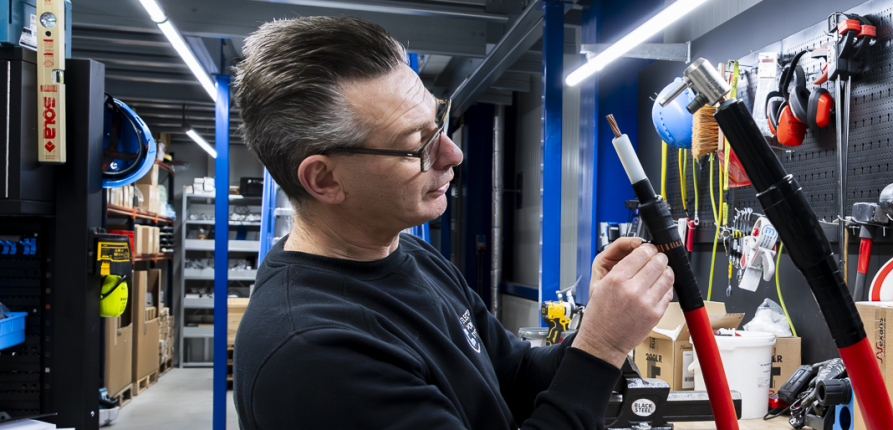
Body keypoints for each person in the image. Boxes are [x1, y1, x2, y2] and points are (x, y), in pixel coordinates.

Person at [231, 16, 675, 429]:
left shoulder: (411, 255)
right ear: (324, 179)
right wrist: (603, 349)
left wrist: (598, 323)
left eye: (439, 123)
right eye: (417, 145)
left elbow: (516, 376)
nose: (452, 154)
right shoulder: (314, 354)